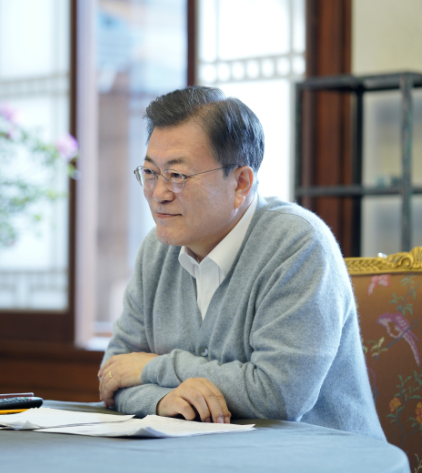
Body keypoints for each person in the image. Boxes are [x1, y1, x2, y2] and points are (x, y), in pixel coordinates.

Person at [97, 86, 385, 440]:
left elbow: (279, 395)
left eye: (177, 176)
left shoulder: (299, 244)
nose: (158, 193)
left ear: (241, 183)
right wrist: (163, 400)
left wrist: (153, 368)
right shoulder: (156, 250)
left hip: (317, 459)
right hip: (208, 459)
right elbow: (114, 373)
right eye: (150, 173)